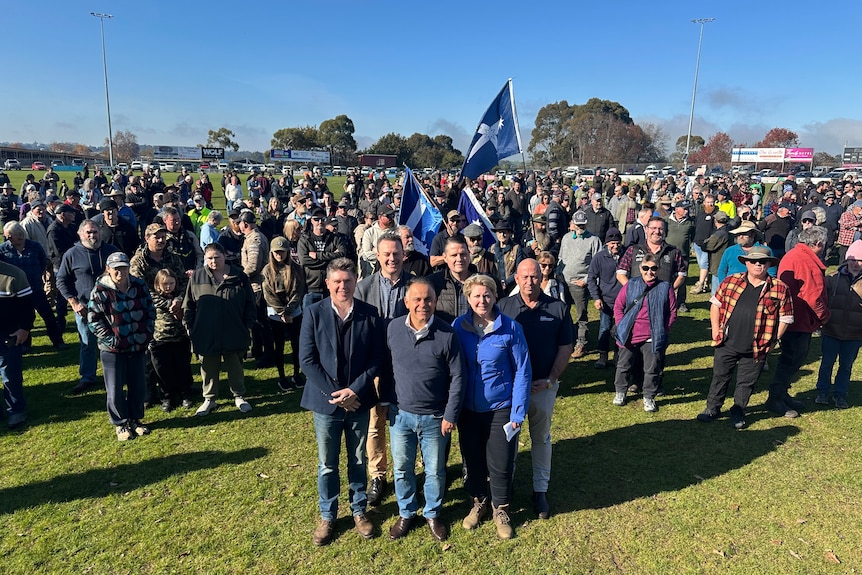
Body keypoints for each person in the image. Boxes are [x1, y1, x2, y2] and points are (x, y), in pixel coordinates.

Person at [299, 258, 384, 546]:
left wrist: (355, 391)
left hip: (358, 401)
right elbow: (307, 361)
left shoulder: (370, 314)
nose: (342, 286)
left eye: (348, 281)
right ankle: (328, 514)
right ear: (327, 283)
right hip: (326, 403)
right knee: (327, 463)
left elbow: (376, 358)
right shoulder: (313, 313)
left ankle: (359, 510)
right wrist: (336, 395)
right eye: (337, 281)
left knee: (358, 459)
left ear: (355, 281)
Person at [385, 277, 466, 542]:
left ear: (435, 301)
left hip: (435, 418)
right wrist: (387, 403)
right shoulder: (393, 329)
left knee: (434, 471)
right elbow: (385, 369)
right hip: (401, 416)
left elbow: (458, 378)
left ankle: (432, 513)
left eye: (428, 299)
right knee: (402, 468)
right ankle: (407, 512)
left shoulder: (447, 334)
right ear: (406, 301)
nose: (423, 305)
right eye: (417, 299)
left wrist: (450, 415)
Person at [452, 274, 531, 540]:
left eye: (487, 295)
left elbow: (522, 370)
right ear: (468, 298)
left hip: (501, 407)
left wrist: (518, 410)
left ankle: (501, 509)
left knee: (500, 462)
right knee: (472, 458)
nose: (482, 300)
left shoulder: (510, 328)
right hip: (468, 409)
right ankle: (479, 502)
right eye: (476, 295)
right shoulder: (458, 327)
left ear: (495, 296)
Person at [499, 260, 573, 520]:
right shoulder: (503, 308)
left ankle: (540, 489)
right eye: (524, 277)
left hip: (543, 386)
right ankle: (505, 488)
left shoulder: (558, 308)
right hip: (510, 391)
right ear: (516, 278)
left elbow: (566, 347)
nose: (529, 282)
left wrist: (551, 379)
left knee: (541, 438)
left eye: (534, 277)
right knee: (509, 439)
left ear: (542, 277)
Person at [698, 247, 793, 429]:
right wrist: (715, 330)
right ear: (746, 263)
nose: (758, 264)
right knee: (720, 376)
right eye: (754, 261)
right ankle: (712, 408)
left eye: (762, 261)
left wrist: (775, 340)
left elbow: (786, 317)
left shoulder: (780, 288)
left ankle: (738, 410)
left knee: (746, 383)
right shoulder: (731, 281)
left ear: (768, 264)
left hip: (757, 346)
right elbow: (715, 305)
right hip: (727, 341)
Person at [354, 233, 412, 508]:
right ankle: (377, 475)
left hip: (407, 367)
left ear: (404, 255)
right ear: (377, 256)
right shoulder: (363, 288)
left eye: (396, 253)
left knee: (405, 423)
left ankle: (407, 471)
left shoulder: (416, 286)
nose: (392, 258)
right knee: (375, 423)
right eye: (386, 254)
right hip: (374, 366)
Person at [87, 252, 156, 441]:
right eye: (116, 269)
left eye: (123, 268)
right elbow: (93, 320)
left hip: (137, 346)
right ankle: (120, 424)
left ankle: (135, 419)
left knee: (138, 386)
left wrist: (147, 332)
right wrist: (112, 340)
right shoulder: (100, 290)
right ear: (108, 269)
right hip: (113, 350)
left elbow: (150, 310)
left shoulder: (139, 285)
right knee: (115, 388)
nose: (120, 272)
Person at [183, 243, 257, 416]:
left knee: (235, 365)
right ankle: (209, 399)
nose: (213, 261)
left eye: (217, 257)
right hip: (205, 332)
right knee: (208, 366)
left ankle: (239, 395)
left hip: (234, 329)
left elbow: (250, 304)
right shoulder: (198, 277)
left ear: (224, 256)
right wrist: (190, 327)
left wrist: (248, 325)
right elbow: (189, 305)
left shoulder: (239, 276)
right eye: (209, 258)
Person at [766, 226, 830, 418]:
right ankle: (775, 397)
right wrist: (825, 317)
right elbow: (813, 295)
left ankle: (782, 394)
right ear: (818, 244)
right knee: (792, 359)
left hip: (792, 316)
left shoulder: (794, 253)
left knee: (791, 357)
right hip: (800, 319)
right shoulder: (806, 260)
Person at [56, 220, 118, 393]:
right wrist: (73, 302)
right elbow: (61, 280)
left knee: (115, 341)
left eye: (95, 232)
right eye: (88, 232)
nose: (92, 236)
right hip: (85, 308)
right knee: (87, 343)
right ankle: (88, 377)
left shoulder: (112, 252)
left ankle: (116, 373)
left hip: (112, 306)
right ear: (80, 234)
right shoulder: (71, 254)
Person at [611, 253, 677, 411]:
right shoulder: (631, 284)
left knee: (652, 368)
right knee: (623, 365)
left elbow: (672, 312)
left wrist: (662, 329)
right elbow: (618, 307)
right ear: (640, 269)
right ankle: (620, 392)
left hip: (652, 336)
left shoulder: (665, 287)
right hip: (629, 333)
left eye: (653, 268)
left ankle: (649, 397)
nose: (650, 272)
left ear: (659, 269)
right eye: (646, 268)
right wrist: (621, 325)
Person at [0, 222, 67, 350]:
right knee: (22, 317)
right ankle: (25, 344)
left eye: (11, 236)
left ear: (20, 234)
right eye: (7, 236)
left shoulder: (34, 246)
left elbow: (43, 262)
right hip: (17, 292)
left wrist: (36, 275)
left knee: (48, 316)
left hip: (35, 288)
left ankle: (58, 341)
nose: (8, 238)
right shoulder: (3, 250)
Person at [816, 240, 862, 408]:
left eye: (860, 261)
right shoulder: (832, 278)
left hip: (855, 333)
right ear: (847, 259)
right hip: (831, 329)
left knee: (846, 366)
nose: (856, 264)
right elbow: (821, 299)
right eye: (852, 259)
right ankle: (822, 391)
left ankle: (840, 394)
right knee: (827, 362)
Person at [262, 236, 307, 391]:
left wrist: (288, 311)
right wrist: (281, 312)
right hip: (275, 313)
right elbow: (268, 294)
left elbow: (298, 291)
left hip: (294, 311)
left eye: (282, 252)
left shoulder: (296, 268)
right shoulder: (267, 270)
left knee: (296, 344)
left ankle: (296, 373)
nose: (279, 255)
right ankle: (282, 377)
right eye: (276, 252)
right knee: (279, 345)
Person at [558, 210, 602, 359]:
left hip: (579, 284)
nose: (580, 228)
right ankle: (567, 340)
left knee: (581, 314)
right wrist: (558, 274)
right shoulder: (566, 238)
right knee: (564, 313)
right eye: (577, 225)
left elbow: (597, 265)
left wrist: (585, 281)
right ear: (572, 224)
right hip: (564, 282)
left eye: (582, 225)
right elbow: (561, 257)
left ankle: (581, 342)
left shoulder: (594, 240)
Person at [148, 268, 194, 412]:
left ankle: (185, 394)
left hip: (180, 337)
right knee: (163, 370)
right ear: (158, 285)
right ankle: (167, 397)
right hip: (160, 339)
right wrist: (173, 304)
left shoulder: (181, 296)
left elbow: (186, 291)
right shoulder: (153, 297)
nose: (168, 287)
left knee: (183, 367)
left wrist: (178, 299)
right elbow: (159, 303)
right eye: (165, 284)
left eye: (171, 283)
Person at [0, 259, 35, 429]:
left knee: (10, 375)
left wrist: (24, 328)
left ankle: (16, 410)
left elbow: (27, 305)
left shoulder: (15, 274)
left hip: (8, 334)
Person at [587, 228, 624, 368]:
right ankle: (602, 356)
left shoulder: (627, 254)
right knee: (604, 328)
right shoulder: (599, 257)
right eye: (612, 243)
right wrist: (596, 298)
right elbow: (591, 279)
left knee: (620, 329)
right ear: (607, 243)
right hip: (606, 301)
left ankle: (617, 355)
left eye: (618, 243)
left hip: (623, 300)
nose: (615, 246)